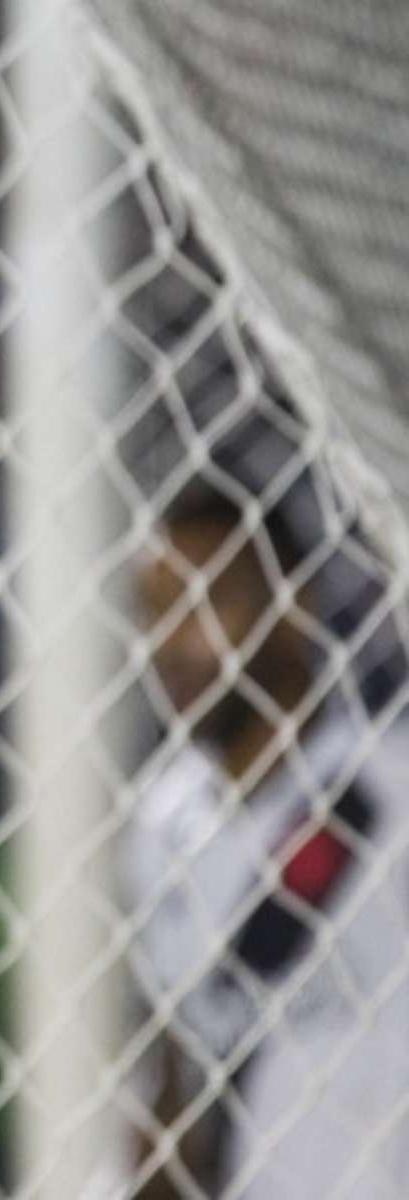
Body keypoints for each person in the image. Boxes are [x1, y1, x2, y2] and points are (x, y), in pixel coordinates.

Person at [121, 481, 409, 1199]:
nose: (171, 645)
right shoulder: (161, 824)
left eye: (201, 607)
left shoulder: (392, 790)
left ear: (292, 608)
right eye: (154, 613)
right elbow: (177, 1076)